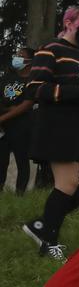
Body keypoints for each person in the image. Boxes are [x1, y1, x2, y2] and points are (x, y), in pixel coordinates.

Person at [21, 7, 79, 262]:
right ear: (69, 22)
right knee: (67, 184)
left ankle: (41, 224)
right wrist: (77, 92)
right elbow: (34, 89)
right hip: (58, 124)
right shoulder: (51, 49)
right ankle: (49, 240)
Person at [0, 47, 36, 194]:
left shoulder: (32, 81)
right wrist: (8, 110)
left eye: (21, 55)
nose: (17, 57)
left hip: (22, 127)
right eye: (17, 54)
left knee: (22, 161)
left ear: (30, 61)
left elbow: (27, 104)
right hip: (3, 128)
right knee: (1, 161)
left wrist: (3, 116)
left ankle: (20, 193)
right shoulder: (7, 78)